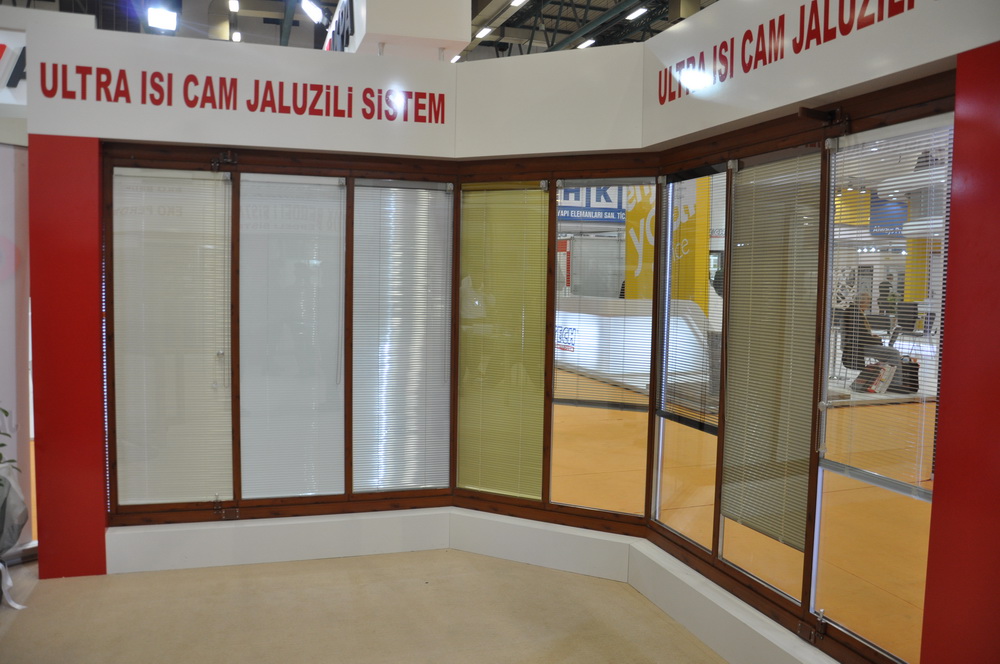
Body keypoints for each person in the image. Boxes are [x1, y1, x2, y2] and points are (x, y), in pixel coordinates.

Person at [842, 292, 903, 389]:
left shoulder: (854, 311)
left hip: (859, 344)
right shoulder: (855, 314)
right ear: (861, 302)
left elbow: (860, 333)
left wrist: (871, 336)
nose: (868, 304)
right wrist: (876, 339)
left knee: (889, 354)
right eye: (868, 302)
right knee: (893, 353)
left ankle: (885, 382)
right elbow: (860, 336)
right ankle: (895, 384)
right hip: (859, 346)